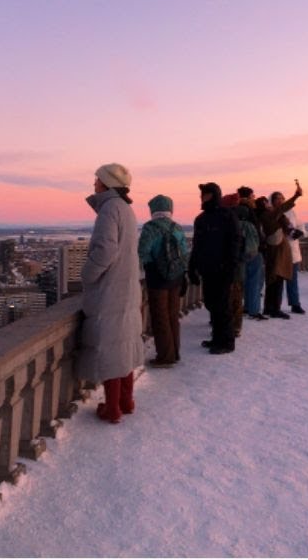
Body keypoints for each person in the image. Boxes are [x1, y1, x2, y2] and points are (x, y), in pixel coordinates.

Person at [79, 164, 146, 424]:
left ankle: (113, 408)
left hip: (110, 289)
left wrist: (87, 275)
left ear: (106, 183)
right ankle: (126, 401)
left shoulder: (108, 209)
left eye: (96, 179)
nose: (93, 183)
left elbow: (106, 250)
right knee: (125, 345)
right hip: (127, 288)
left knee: (110, 347)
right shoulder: (126, 209)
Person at [138, 194, 189, 367]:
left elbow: (143, 252)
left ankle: (165, 356)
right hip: (176, 276)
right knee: (173, 315)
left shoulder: (150, 228)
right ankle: (175, 352)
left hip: (157, 277)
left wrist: (149, 267)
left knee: (160, 316)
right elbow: (184, 252)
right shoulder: (177, 228)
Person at [190, 182, 241, 354]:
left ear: (214, 195)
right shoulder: (201, 219)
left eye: (205, 194)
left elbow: (235, 243)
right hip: (207, 270)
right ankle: (217, 338)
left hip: (222, 269)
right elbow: (196, 246)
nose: (201, 197)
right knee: (212, 304)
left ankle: (226, 342)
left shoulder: (227, 216)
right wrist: (192, 268)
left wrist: (230, 268)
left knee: (222, 306)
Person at [259, 182, 303, 319]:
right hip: (276, 251)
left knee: (277, 279)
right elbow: (280, 211)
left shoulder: (277, 215)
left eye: (281, 198)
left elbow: (290, 226)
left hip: (282, 250)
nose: (279, 201)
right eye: (275, 199)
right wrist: (295, 196)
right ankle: (273, 308)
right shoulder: (269, 215)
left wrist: (296, 232)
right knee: (275, 279)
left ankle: (271, 307)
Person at [237, 187, 267, 320]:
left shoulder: (235, 209)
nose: (254, 198)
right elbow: (257, 231)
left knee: (245, 280)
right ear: (249, 196)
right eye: (252, 196)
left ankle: (247, 307)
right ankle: (253, 309)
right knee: (255, 279)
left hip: (241, 250)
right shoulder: (250, 211)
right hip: (254, 250)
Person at [281, 195, 307, 314]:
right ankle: (274, 305)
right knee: (277, 281)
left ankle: (295, 303)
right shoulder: (274, 213)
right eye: (278, 198)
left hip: (293, 251)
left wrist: (300, 232)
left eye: (282, 198)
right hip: (281, 250)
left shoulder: (291, 212)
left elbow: (300, 224)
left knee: (293, 280)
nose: (281, 200)